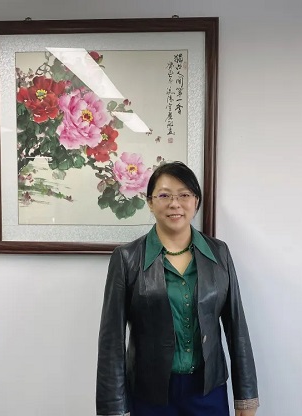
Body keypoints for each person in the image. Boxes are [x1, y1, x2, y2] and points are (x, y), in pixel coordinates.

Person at [96, 161, 259, 416]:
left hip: (208, 391)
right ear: (150, 202)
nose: (175, 204)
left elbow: (236, 326)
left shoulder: (219, 253)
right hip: (149, 395)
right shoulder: (127, 258)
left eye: (184, 195)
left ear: (196, 201)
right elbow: (112, 340)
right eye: (164, 195)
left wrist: (246, 397)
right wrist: (113, 408)